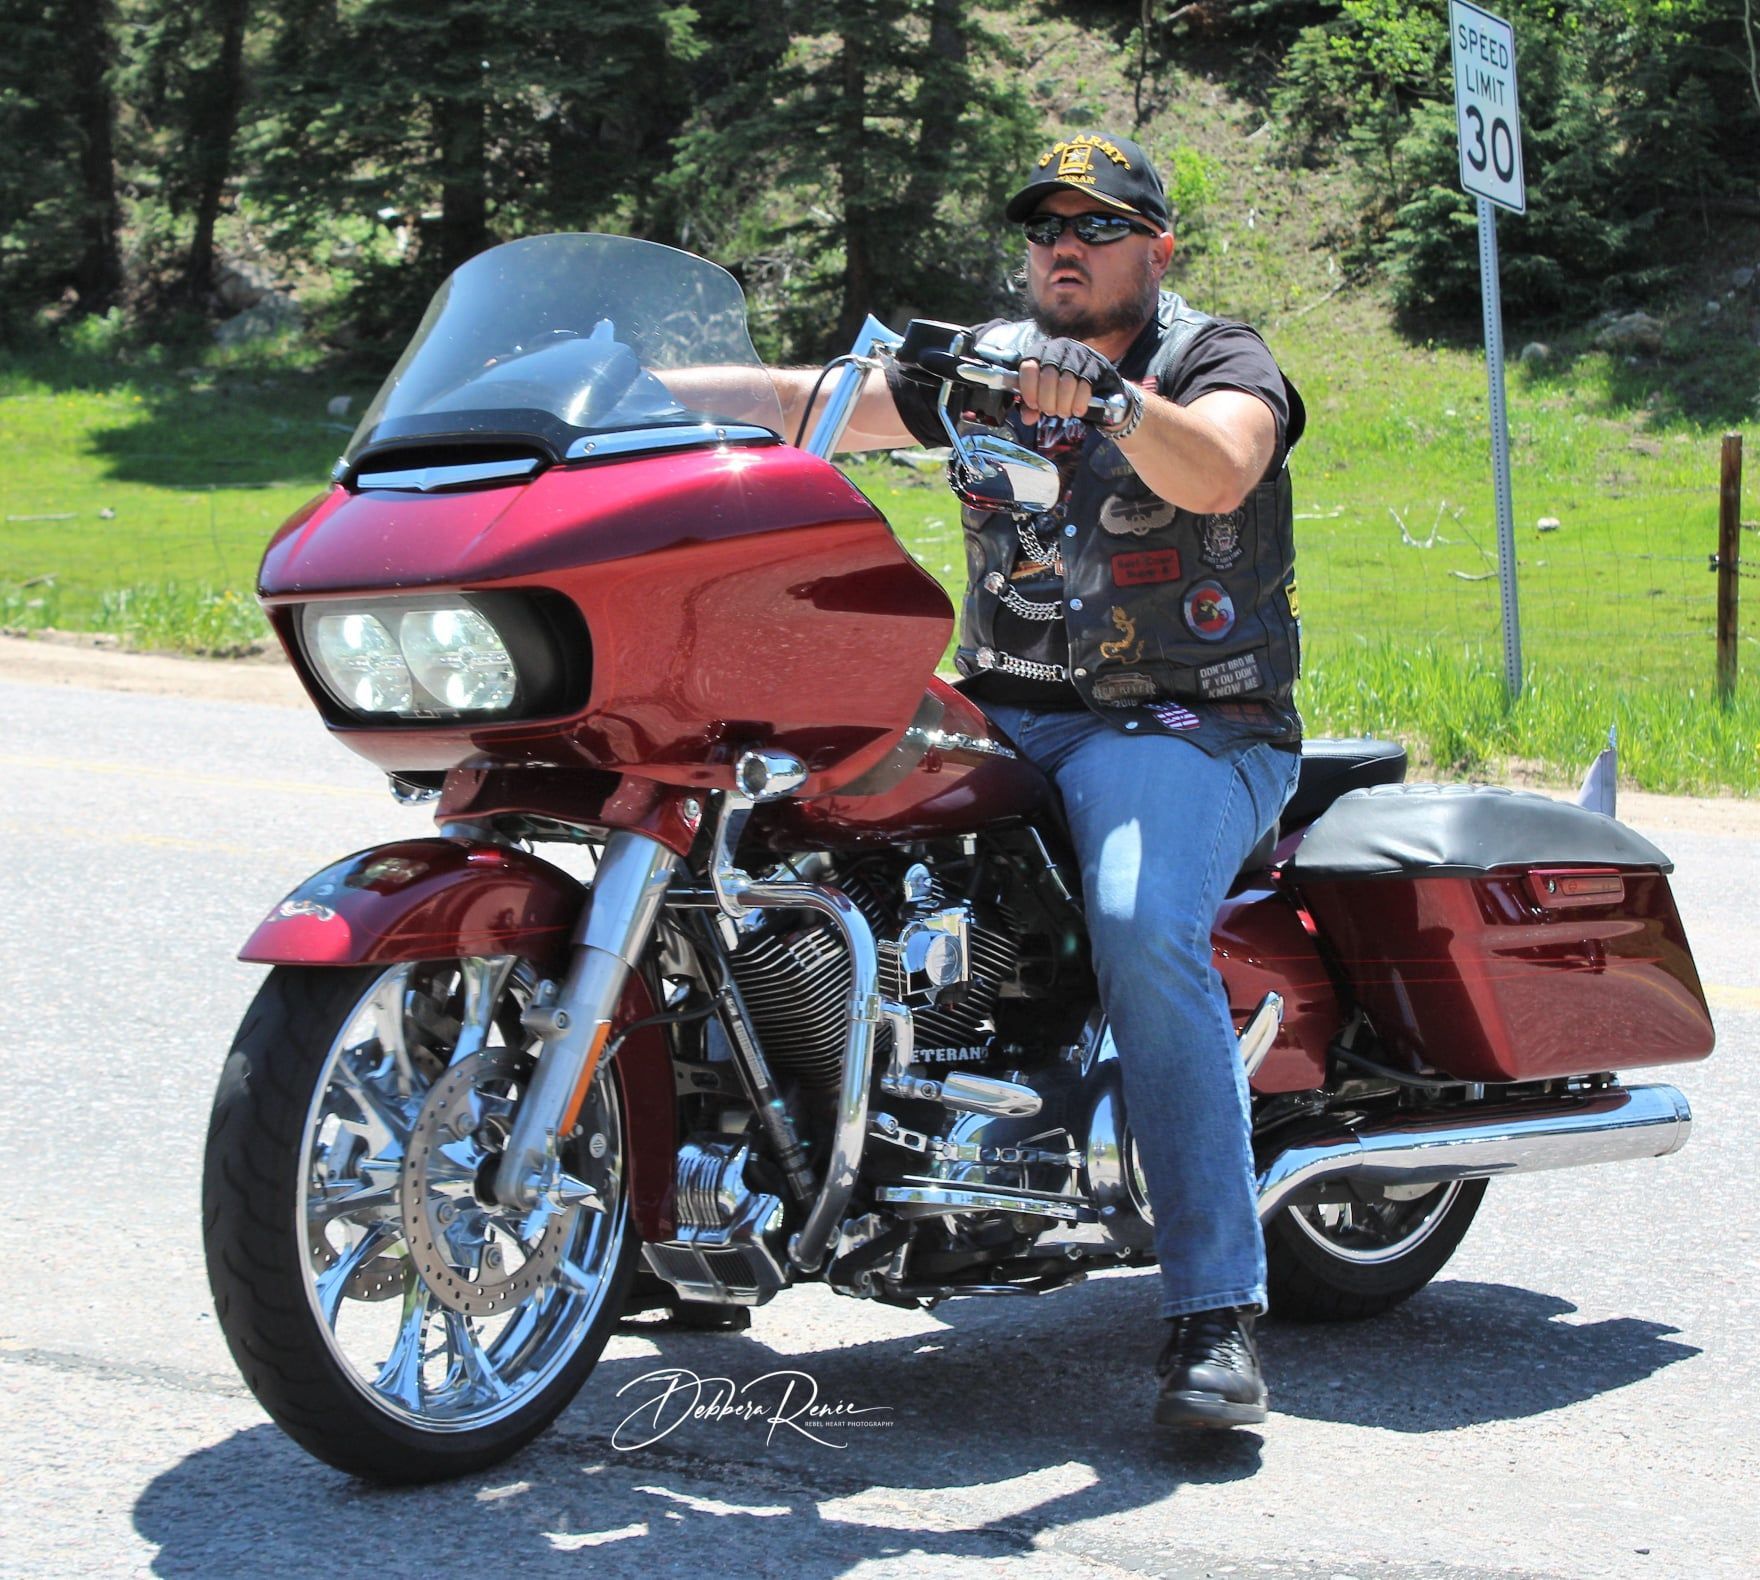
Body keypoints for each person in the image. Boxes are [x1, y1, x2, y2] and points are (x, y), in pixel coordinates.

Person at [769, 129, 1305, 1431]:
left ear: (1157, 249)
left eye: (1097, 227)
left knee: (1138, 922)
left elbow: (1221, 463)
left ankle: (1214, 1312)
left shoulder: (1216, 360)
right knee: (769, 818)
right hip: (1003, 712)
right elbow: (805, 399)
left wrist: (1110, 400)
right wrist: (606, 381)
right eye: (1046, 229)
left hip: (1184, 723)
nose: (1065, 248)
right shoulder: (991, 367)